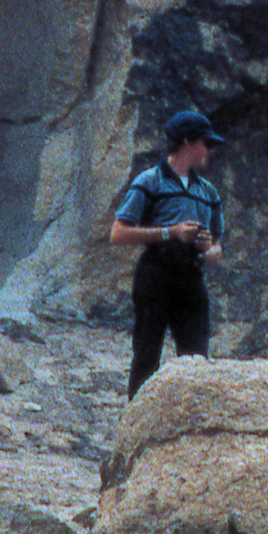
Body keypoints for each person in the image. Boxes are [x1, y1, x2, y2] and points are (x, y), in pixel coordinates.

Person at [110, 110, 226, 398]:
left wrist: (206, 248)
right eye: (205, 143)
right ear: (187, 141)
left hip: (191, 276)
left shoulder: (208, 192)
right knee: (147, 355)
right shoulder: (150, 181)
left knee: (197, 359)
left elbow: (217, 248)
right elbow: (118, 233)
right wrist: (171, 232)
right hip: (156, 274)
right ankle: (136, 424)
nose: (209, 151)